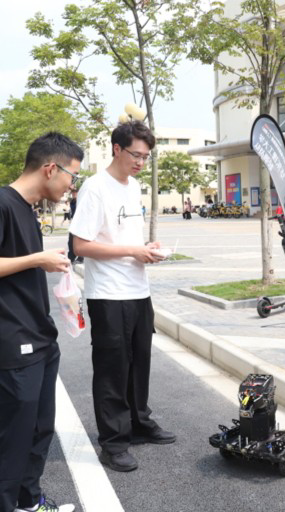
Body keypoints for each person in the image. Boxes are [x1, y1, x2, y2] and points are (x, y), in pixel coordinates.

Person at [69, 121, 176, 473]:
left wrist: (146, 248)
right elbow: (80, 245)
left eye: (146, 157)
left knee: (139, 362)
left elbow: (121, 238)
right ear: (117, 149)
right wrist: (132, 250)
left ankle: (138, 422)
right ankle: (113, 442)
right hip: (107, 294)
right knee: (112, 368)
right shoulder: (95, 188)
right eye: (136, 155)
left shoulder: (134, 187)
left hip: (138, 290)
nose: (141, 162)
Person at [0, 132, 82, 512]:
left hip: (39, 336)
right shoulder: (3, 203)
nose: (71, 186)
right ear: (51, 168)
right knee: (12, 440)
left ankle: (28, 502)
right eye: (72, 176)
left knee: (38, 429)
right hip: (14, 340)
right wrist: (38, 259)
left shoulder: (27, 209)